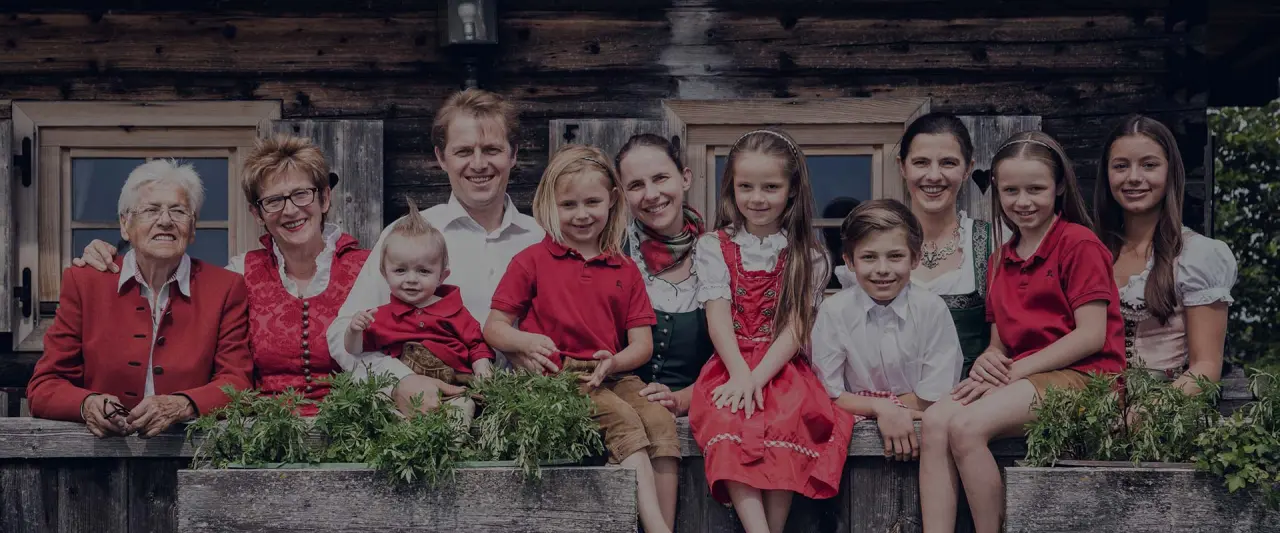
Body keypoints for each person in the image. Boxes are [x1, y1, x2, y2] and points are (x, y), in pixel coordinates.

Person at [73, 135, 382, 416]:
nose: (289, 211)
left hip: (358, 437)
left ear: (324, 198)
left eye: (302, 194)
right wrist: (111, 251)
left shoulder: (371, 269)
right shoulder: (239, 274)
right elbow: (173, 281)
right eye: (273, 201)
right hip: (262, 442)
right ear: (257, 214)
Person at [917, 131, 1125, 533]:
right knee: (937, 420)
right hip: (1027, 377)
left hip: (1088, 379)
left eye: (1036, 189)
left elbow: (1091, 336)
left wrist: (1014, 370)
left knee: (966, 426)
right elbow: (999, 345)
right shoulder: (999, 258)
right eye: (1011, 190)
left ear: (1060, 186)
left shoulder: (1079, 244)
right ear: (997, 190)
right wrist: (990, 362)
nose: (1023, 201)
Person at [482, 145, 679, 533]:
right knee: (622, 420)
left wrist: (617, 361)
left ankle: (666, 522)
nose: (582, 214)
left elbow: (642, 345)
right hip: (563, 377)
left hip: (614, 372)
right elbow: (494, 326)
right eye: (568, 204)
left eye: (592, 202)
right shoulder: (533, 259)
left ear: (612, 200)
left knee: (660, 421)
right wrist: (523, 343)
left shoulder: (624, 267)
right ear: (550, 205)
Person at [329, 88, 544, 406]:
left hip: (528, 415)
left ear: (514, 154)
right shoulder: (410, 236)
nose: (479, 163)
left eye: (492, 149)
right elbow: (341, 334)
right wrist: (401, 381)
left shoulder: (541, 239)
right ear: (441, 158)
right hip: (434, 417)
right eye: (463, 151)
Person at [687, 128, 853, 533]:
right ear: (731, 187)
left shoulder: (808, 255)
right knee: (729, 420)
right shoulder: (714, 246)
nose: (757, 198)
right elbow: (718, 317)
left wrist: (760, 377)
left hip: (782, 367)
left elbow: (796, 327)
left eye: (770, 187)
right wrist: (742, 376)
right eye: (746, 186)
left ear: (792, 190)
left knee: (784, 422)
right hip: (730, 363)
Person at [29, 160, 253, 437]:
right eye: (151, 210)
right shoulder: (85, 282)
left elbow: (237, 383)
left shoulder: (225, 288)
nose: (166, 221)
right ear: (125, 224)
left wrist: (183, 405)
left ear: (193, 228)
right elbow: (45, 386)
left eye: (179, 211)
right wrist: (86, 404)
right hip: (98, 464)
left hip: (190, 457)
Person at [837, 113, 994, 377]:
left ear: (968, 168)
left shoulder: (991, 244)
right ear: (902, 166)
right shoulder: (871, 247)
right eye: (921, 162)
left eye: (948, 163)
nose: (933, 176)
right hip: (882, 402)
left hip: (969, 401)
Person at [1094, 115, 1237, 394]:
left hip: (1163, 418)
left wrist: (1148, 413)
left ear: (1170, 172)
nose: (1134, 177)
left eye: (1149, 165)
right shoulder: (1091, 249)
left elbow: (1205, 367)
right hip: (1089, 412)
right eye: (1121, 166)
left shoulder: (1197, 255)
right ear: (1107, 174)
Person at [812, 199, 963, 462]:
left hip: (925, 441)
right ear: (849, 261)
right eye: (869, 257)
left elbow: (934, 395)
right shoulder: (834, 312)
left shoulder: (931, 309)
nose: (882, 270)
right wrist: (882, 408)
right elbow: (827, 392)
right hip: (853, 450)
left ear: (915, 258)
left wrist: (882, 408)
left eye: (895, 256)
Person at [345, 197, 494, 425]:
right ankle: (402, 440)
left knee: (463, 406)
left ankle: (448, 448)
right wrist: (354, 330)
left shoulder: (453, 311)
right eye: (400, 270)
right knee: (376, 405)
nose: (411, 279)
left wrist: (481, 364)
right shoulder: (381, 316)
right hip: (405, 397)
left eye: (423, 271)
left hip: (453, 389)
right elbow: (355, 350)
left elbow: (476, 344)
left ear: (442, 276)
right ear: (385, 274)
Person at [612, 133, 713, 420]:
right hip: (626, 420)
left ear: (685, 178)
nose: (651, 194)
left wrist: (682, 399)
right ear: (623, 194)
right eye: (636, 185)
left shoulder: (719, 258)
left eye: (660, 178)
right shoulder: (613, 255)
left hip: (702, 424)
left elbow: (740, 355)